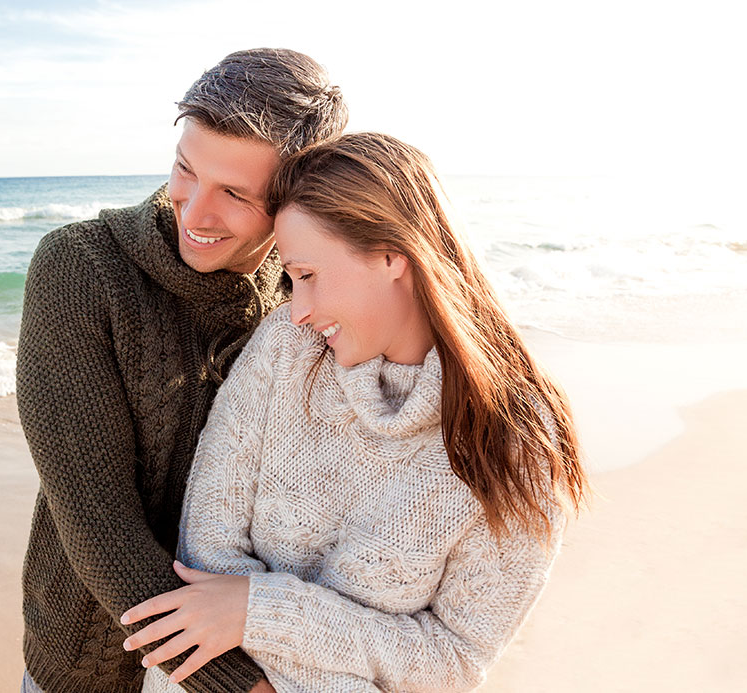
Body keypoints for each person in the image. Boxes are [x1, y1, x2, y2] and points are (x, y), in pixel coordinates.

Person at [122, 133, 590, 692]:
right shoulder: (285, 352)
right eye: (289, 282)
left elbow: (455, 659)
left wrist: (261, 613)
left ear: (393, 254)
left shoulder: (516, 446)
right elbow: (205, 552)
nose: (296, 311)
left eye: (309, 276)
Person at [14, 48, 348, 693]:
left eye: (235, 193)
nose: (194, 212)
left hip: (265, 649)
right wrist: (243, 688)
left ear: (299, 196)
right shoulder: (81, 270)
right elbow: (97, 525)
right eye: (185, 169)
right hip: (95, 665)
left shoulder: (307, 294)